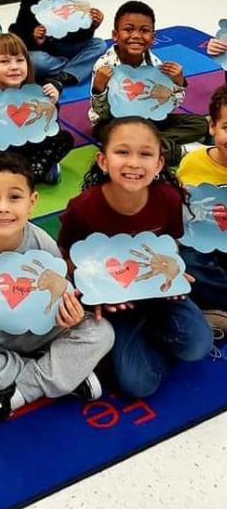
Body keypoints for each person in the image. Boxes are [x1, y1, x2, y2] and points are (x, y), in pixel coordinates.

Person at [0, 152, 114, 435]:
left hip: (39, 333)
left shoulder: (42, 243)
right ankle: (61, 375)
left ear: (33, 202)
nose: (3, 208)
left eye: (14, 197)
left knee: (102, 332)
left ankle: (13, 395)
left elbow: (62, 299)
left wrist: (72, 314)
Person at [58, 117, 212, 398]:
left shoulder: (167, 198)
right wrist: (95, 293)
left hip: (160, 296)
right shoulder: (84, 208)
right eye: (122, 152)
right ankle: (123, 347)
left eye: (145, 154)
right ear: (103, 161)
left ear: (159, 164)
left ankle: (150, 333)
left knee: (198, 346)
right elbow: (68, 258)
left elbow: (172, 244)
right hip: (114, 304)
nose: (133, 163)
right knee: (139, 385)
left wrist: (173, 270)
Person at [89, 1, 208, 165]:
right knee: (118, 138)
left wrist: (178, 82)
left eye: (144, 31)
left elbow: (168, 107)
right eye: (128, 29)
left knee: (200, 123)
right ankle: (179, 150)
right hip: (112, 122)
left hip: (148, 119)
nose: (136, 36)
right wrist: (98, 89)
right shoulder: (104, 66)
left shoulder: (156, 65)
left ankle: (152, 143)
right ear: (115, 35)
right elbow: (101, 114)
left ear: (153, 37)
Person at [0, 32, 73, 186]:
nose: (14, 67)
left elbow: (47, 130)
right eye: (4, 61)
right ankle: (30, 172)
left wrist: (51, 103)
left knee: (64, 139)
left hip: (23, 146)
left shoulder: (32, 89)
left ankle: (28, 172)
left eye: (20, 60)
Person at [9, 0, 106, 89]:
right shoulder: (31, 1)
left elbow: (82, 36)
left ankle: (65, 75)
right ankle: (75, 68)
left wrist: (91, 25)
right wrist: (34, 37)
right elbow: (16, 34)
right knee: (33, 60)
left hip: (72, 48)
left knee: (99, 45)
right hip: (49, 54)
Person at [177, 84, 227, 330]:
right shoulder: (192, 161)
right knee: (186, 265)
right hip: (200, 239)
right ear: (212, 127)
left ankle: (212, 309)